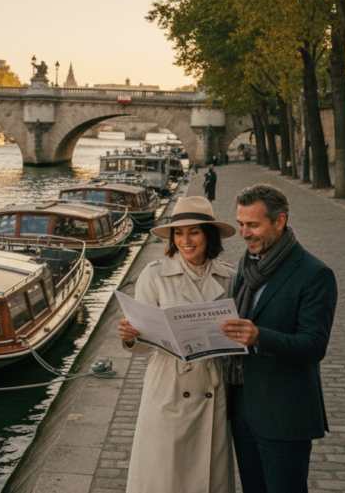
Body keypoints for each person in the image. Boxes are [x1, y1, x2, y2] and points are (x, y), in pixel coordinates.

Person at [218, 184, 337, 493]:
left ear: (279, 222)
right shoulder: (247, 268)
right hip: (245, 409)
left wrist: (259, 337)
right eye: (241, 223)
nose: (244, 233)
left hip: (285, 415)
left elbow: (314, 346)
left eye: (253, 225)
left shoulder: (314, 274)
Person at [118, 196, 238, 493]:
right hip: (169, 387)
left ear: (209, 235)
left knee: (208, 476)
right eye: (179, 232)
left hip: (213, 385)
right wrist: (131, 337)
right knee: (164, 476)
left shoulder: (231, 278)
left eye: (194, 231)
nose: (186, 240)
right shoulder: (154, 275)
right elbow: (144, 345)